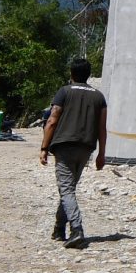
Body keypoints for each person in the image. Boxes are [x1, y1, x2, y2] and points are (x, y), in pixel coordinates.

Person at [39, 57, 107, 248]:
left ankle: (77, 229)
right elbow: (102, 128)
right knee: (68, 188)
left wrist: (44, 147)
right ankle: (59, 229)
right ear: (89, 75)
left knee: (66, 189)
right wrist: (102, 154)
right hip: (86, 148)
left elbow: (52, 120)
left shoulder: (64, 92)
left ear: (71, 73)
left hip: (64, 146)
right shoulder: (99, 96)